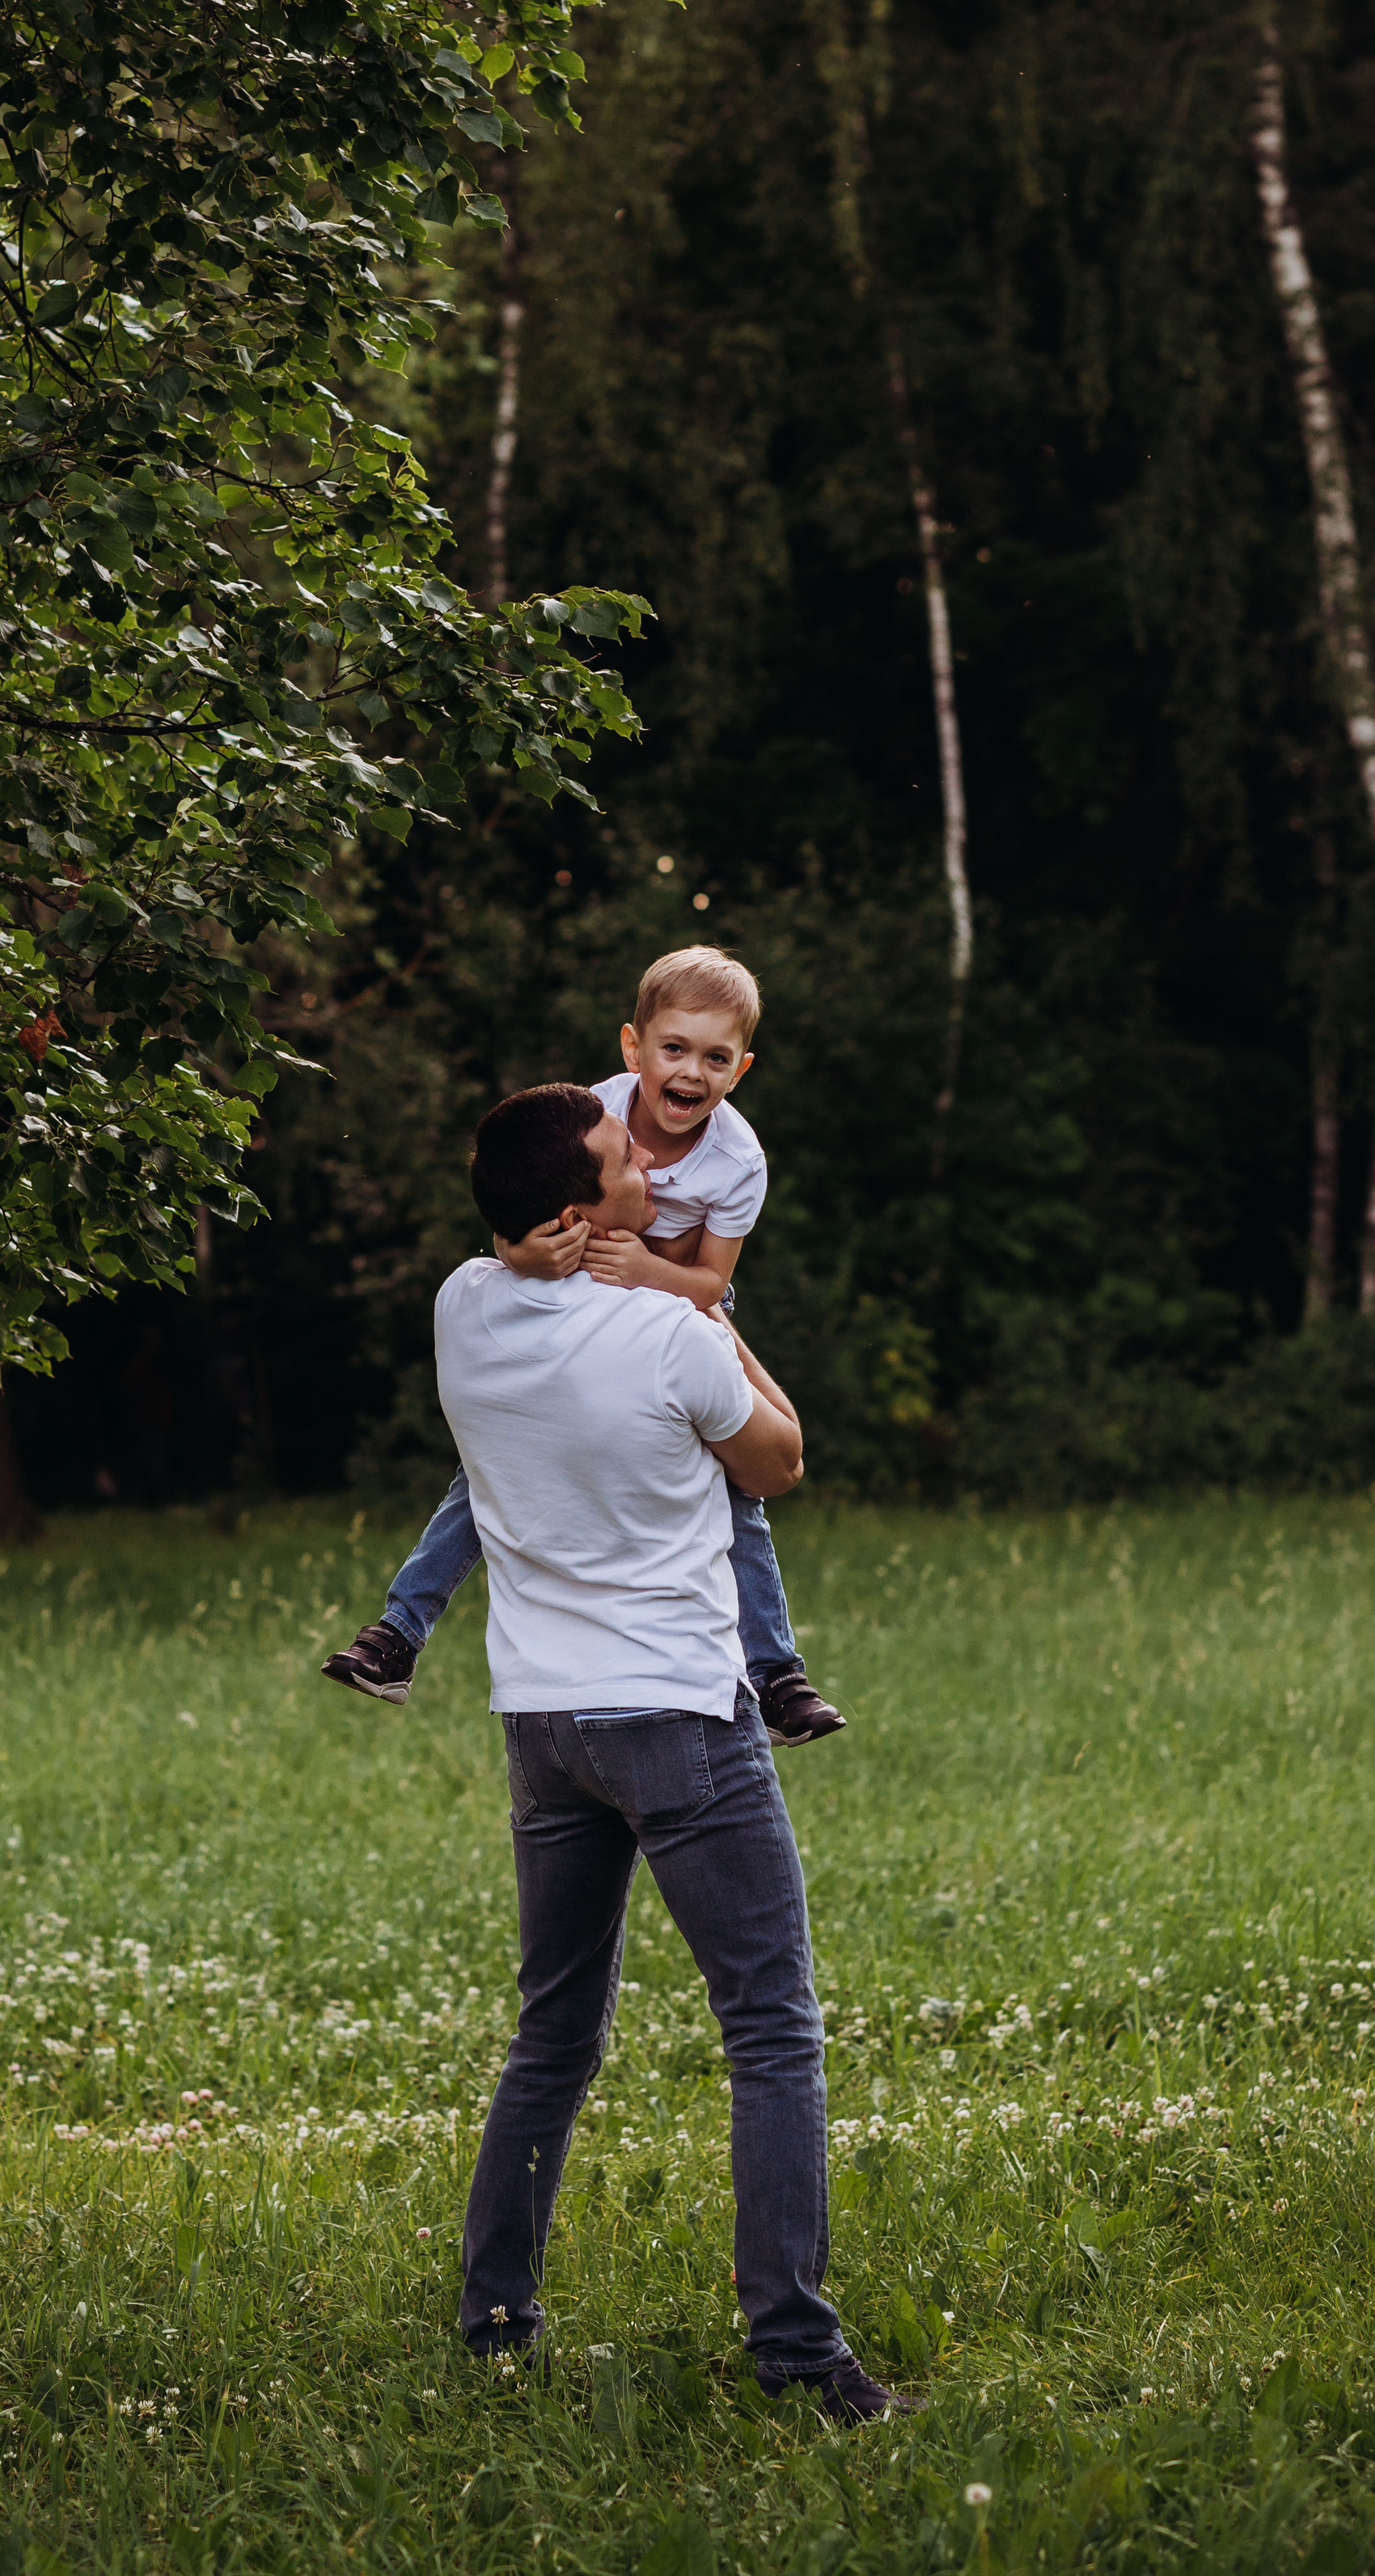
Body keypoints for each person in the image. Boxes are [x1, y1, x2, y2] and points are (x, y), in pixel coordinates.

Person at [433, 1079, 917, 2424]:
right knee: (771, 2026)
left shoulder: (462, 1312)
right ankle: (800, 2355)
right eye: (621, 1156)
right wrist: (700, 1296)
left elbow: (499, 1247)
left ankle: (494, 2315)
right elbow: (780, 1458)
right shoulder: (663, 1332)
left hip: (543, 1725)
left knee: (556, 2027)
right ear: (579, 1210)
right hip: (679, 1718)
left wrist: (578, 1243)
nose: (649, 1158)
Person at [321, 947, 844, 1748]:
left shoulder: (737, 1160)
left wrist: (646, 1271)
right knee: (484, 1472)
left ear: (740, 1068)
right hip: (576, 1282)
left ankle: (774, 1672)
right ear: (634, 1048)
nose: (691, 1073)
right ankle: (400, 1629)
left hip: (678, 1300)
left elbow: (711, 1283)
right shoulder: (593, 1113)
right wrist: (518, 1251)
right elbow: (525, 1198)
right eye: (674, 1050)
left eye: (714, 1059)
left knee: (738, 1493)